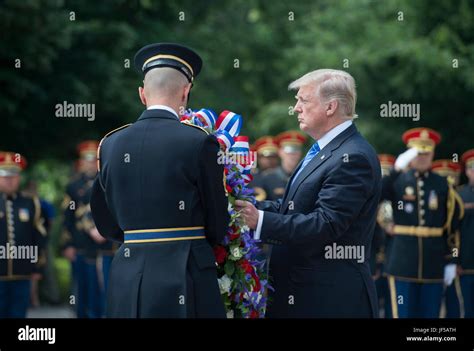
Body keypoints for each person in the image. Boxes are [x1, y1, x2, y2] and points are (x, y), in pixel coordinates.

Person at [90, 42, 229, 318]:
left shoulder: (110, 144)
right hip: (186, 269)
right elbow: (216, 218)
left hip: (128, 273)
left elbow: (105, 218)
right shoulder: (199, 141)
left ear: (142, 94)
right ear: (186, 92)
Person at [237, 69, 381, 318]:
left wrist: (259, 221)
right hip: (306, 295)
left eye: (303, 100)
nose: (296, 108)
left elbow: (325, 224)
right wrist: (245, 207)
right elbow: (295, 206)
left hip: (328, 300)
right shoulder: (326, 149)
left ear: (331, 107)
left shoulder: (352, 156)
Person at [382, 128, 464, 318]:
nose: (422, 157)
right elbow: (375, 196)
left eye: (426, 152)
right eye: (418, 152)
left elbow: (453, 224)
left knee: (430, 316)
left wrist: (452, 260)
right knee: (402, 314)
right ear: (410, 153)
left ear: (433, 153)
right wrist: (395, 170)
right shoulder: (398, 181)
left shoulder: (442, 184)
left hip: (433, 264)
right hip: (402, 262)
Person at [60, 141, 105, 318]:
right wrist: (68, 244)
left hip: (103, 245)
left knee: (100, 290)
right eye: (87, 159)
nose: (91, 162)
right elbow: (67, 218)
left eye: (94, 159)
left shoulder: (105, 181)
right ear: (81, 161)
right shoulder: (73, 186)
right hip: (80, 244)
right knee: (81, 290)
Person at [0, 151, 47, 318]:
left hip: (23, 272)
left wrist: (38, 266)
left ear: (19, 178)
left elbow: (39, 237)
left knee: (19, 313)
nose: (9, 179)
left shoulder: (30, 202)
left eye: (13, 175)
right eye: (4, 175)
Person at [431, 159, 463, 317]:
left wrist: (453, 261)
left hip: (447, 258)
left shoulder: (454, 201)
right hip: (428, 259)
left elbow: (454, 235)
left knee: (453, 307)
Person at [258, 131, 306, 201]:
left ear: (300, 153)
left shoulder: (305, 176)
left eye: (296, 150)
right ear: (280, 152)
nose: (292, 155)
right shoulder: (268, 177)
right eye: (288, 150)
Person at [458, 149, 474, 318]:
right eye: (472, 168)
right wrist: (454, 261)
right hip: (466, 263)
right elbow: (453, 230)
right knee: (467, 310)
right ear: (467, 171)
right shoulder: (459, 195)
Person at [249, 136, 279, 201]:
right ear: (259, 158)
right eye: (266, 157)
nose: (270, 160)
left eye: (273, 157)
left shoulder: (283, 176)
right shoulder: (252, 177)